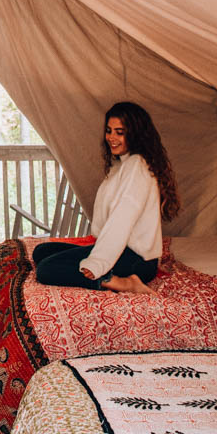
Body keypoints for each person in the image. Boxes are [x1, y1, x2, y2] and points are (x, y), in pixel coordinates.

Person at [33, 101, 180, 295]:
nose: (112, 137)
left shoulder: (136, 167)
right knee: (41, 252)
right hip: (123, 252)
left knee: (46, 269)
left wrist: (98, 262)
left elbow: (122, 220)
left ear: (135, 134)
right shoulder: (122, 165)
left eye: (120, 132)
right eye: (109, 131)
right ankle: (111, 272)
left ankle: (122, 283)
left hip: (137, 260)